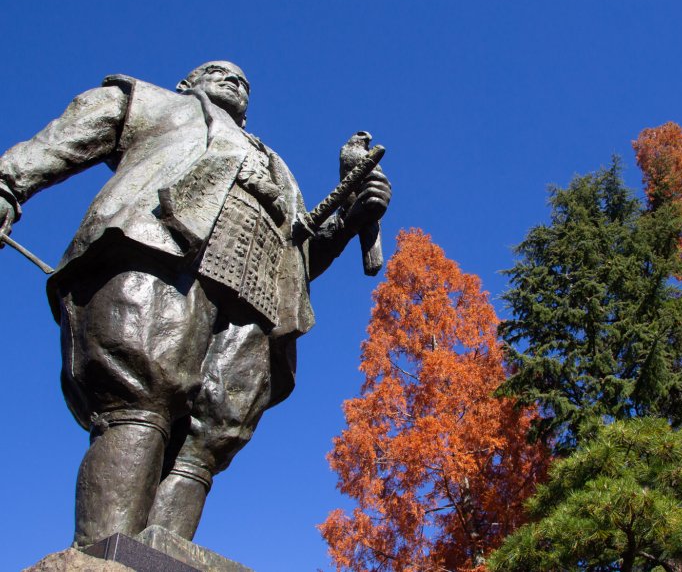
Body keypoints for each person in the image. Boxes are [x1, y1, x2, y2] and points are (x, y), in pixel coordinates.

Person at [0, 61, 391, 545]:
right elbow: (68, 137)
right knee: (140, 393)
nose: (235, 80)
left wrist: (350, 222)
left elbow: (298, 259)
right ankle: (102, 556)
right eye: (218, 72)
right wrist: (8, 184)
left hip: (255, 299)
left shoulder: (277, 168)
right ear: (187, 83)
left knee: (211, 437)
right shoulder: (153, 103)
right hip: (159, 254)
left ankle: (161, 557)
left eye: (244, 81)